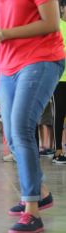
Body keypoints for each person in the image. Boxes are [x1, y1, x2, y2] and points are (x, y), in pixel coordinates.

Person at [0, 0, 64, 232]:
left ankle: (32, 211)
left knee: (21, 129)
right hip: (9, 66)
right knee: (12, 137)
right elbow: (4, 26)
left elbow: (52, 23)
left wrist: (2, 34)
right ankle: (41, 193)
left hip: (41, 59)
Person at [52, 0, 66, 164]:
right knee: (59, 115)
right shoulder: (56, 27)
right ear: (62, 8)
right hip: (59, 79)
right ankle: (58, 151)